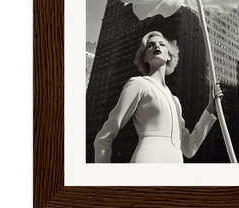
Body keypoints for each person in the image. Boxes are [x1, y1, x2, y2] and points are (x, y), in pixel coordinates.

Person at [94, 30, 223, 163]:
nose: (157, 47)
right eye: (150, 45)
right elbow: (104, 137)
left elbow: (188, 149)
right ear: (144, 57)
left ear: (169, 56)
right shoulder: (138, 84)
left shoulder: (175, 100)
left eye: (162, 44)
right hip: (147, 163)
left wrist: (210, 108)